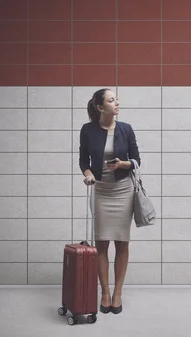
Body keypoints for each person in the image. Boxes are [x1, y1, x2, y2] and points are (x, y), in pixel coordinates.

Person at [79, 88, 140, 315]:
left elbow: (136, 160)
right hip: (101, 191)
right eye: (111, 100)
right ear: (100, 107)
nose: (117, 103)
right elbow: (83, 160)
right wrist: (88, 174)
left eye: (116, 99)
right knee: (102, 243)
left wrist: (123, 164)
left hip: (123, 190)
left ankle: (118, 293)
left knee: (122, 243)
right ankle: (104, 292)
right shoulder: (88, 130)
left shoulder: (126, 129)